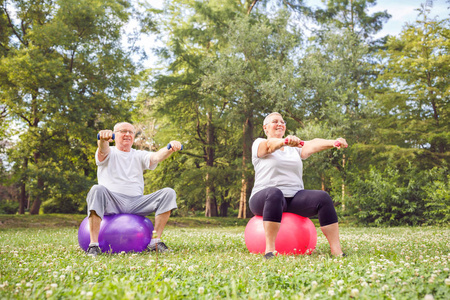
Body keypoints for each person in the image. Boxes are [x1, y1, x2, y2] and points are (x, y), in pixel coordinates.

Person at [249, 112, 347, 259]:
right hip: (263, 198)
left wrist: (333, 142)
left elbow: (312, 143)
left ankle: (336, 250)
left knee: (323, 197)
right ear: (265, 128)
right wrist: (284, 141)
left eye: (282, 122)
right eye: (275, 121)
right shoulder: (259, 143)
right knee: (274, 193)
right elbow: (269, 146)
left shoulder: (293, 148)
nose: (280, 124)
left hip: (294, 198)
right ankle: (269, 250)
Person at [85, 122, 182, 257]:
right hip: (112, 201)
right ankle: (93, 245)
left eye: (131, 132)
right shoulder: (109, 151)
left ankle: (155, 242)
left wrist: (169, 148)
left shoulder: (138, 154)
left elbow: (156, 157)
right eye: (123, 131)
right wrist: (102, 139)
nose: (127, 134)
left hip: (136, 203)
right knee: (96, 189)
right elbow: (103, 150)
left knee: (168, 193)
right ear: (114, 134)